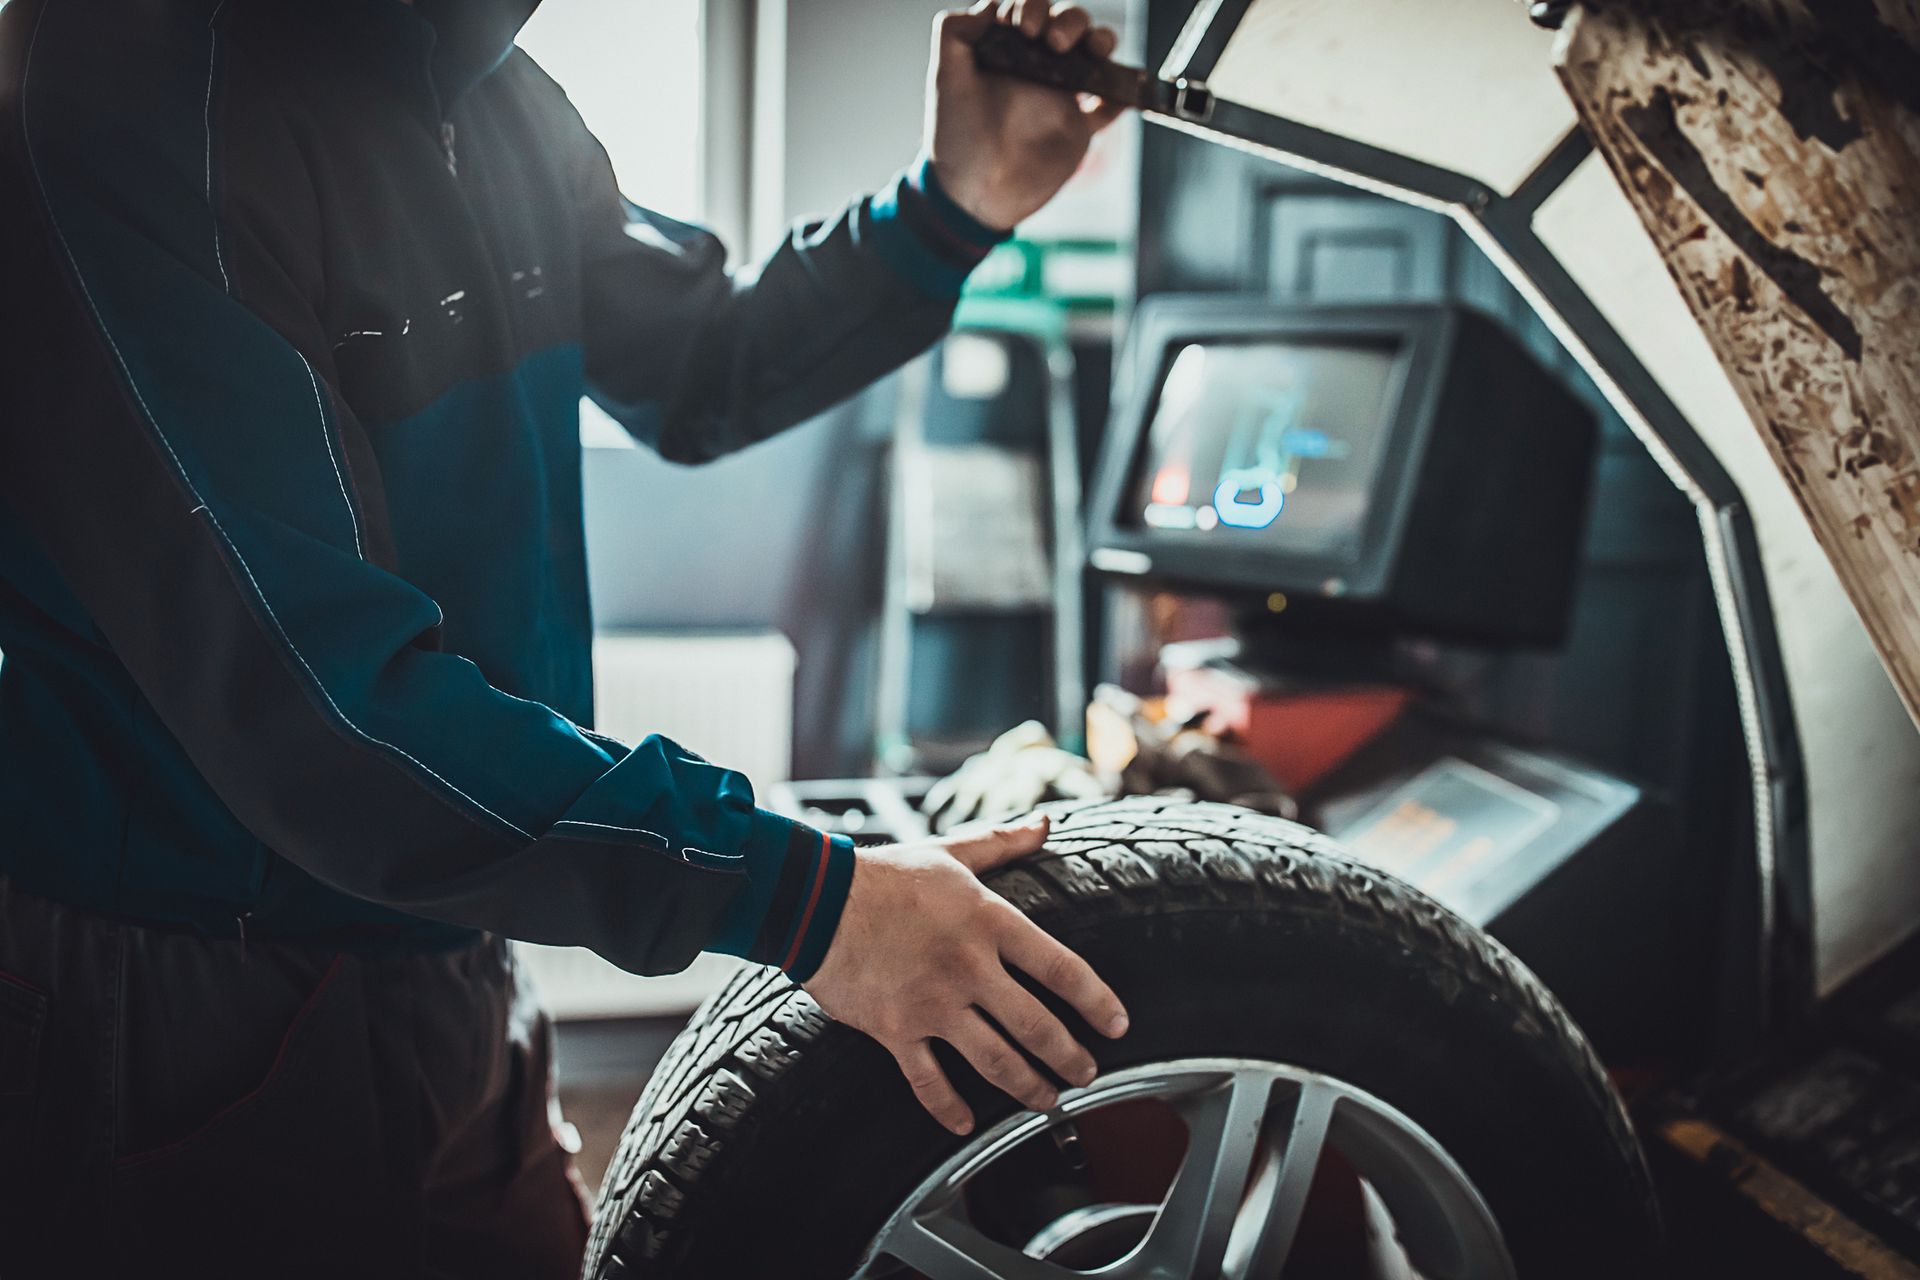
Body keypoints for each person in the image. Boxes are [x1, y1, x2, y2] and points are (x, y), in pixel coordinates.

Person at [0, 0, 1130, 1273]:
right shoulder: (113, 105)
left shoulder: (488, 86)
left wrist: (949, 208)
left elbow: (704, 362)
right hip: (185, 989)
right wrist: (809, 899)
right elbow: (324, 710)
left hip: (453, 935)